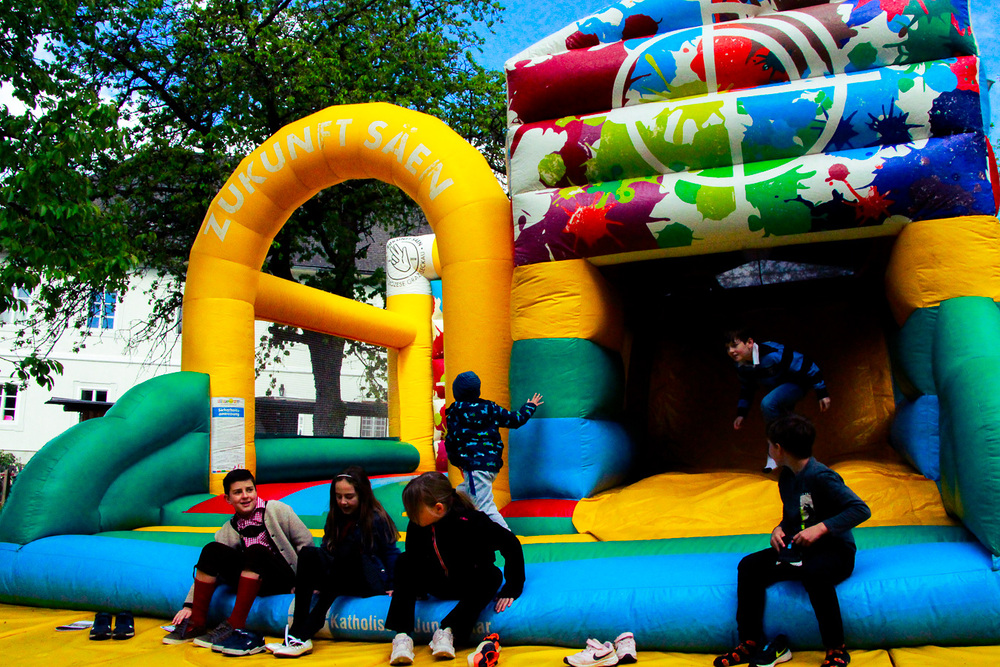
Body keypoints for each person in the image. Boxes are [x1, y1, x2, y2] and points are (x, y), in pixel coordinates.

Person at [714, 414, 871, 667]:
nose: (768, 449)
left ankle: (836, 648)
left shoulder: (822, 476)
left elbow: (860, 509)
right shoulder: (787, 477)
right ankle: (750, 641)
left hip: (835, 552)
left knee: (814, 572)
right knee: (749, 566)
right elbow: (796, 516)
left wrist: (822, 528)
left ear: (779, 448)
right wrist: (779, 529)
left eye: (769, 445)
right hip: (801, 550)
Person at [162, 468, 315, 656]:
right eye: (238, 492)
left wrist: (305, 583)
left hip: (282, 578)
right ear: (228, 499)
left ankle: (235, 624)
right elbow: (208, 567)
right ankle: (197, 623)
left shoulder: (278, 510)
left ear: (256, 491)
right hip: (253, 580)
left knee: (256, 550)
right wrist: (189, 606)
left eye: (249, 490)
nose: (245, 496)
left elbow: (306, 545)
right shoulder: (230, 528)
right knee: (211, 549)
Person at [385, 472, 525, 665]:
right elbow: (414, 559)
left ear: (438, 508)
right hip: (437, 583)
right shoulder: (417, 525)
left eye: (413, 511)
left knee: (492, 575)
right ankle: (402, 636)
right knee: (404, 561)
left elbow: (511, 544)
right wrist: (405, 589)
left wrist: (512, 587)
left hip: (467, 584)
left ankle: (447, 631)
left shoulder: (472, 521)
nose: (409, 515)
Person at [265, 465, 400, 658]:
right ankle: (297, 628)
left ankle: (309, 627)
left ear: (362, 495)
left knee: (348, 552)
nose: (343, 502)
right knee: (308, 553)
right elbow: (326, 550)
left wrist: (394, 584)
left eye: (349, 497)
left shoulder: (375, 518)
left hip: (366, 578)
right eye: (339, 497)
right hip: (339, 577)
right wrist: (313, 581)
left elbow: (390, 552)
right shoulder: (335, 516)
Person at [445, 370, 543, 528]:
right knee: (460, 496)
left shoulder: (455, 412)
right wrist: (529, 406)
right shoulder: (490, 408)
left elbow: (451, 441)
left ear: (456, 393)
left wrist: (457, 462)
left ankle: (507, 536)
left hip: (474, 467)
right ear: (478, 391)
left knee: (485, 507)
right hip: (491, 466)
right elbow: (515, 420)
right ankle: (455, 528)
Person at [725, 328, 831, 471]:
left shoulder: (773, 353)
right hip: (778, 389)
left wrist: (822, 393)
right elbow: (747, 389)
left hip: (797, 383)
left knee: (768, 404)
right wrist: (741, 413)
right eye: (728, 348)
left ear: (749, 343)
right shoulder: (741, 366)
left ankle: (775, 450)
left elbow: (808, 365)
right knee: (787, 421)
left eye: (734, 345)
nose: (731, 351)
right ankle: (795, 458)